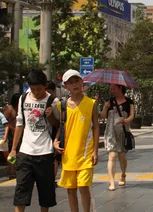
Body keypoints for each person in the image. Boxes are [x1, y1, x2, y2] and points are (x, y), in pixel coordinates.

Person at [10, 69, 58, 212]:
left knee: (46, 194)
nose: (36, 92)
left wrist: (50, 117)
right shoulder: (23, 99)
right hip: (25, 152)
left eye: (39, 89)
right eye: (33, 89)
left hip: (45, 152)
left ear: (45, 86)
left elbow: (58, 125)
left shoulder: (52, 101)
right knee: (21, 193)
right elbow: (20, 124)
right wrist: (13, 149)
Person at [54, 69, 99, 212]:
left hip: (86, 154)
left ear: (82, 82)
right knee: (71, 189)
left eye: (77, 81)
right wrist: (55, 141)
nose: (75, 85)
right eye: (70, 83)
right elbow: (61, 127)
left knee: (83, 186)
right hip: (68, 154)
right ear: (65, 86)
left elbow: (96, 127)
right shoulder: (61, 105)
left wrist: (96, 151)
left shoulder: (91, 103)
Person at [100, 84, 134, 191]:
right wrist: (105, 107)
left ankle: (123, 174)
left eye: (114, 88)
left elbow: (132, 115)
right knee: (112, 155)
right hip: (111, 132)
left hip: (123, 131)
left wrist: (126, 120)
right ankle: (111, 181)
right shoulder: (109, 101)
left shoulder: (129, 101)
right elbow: (102, 116)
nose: (112, 90)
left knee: (121, 156)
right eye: (111, 88)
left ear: (120, 88)